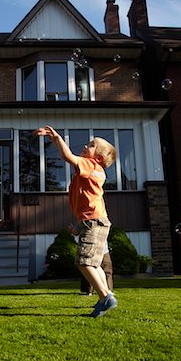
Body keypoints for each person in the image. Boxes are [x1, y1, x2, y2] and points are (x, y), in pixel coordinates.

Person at [34, 125, 117, 318]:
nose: (86, 146)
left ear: (98, 158)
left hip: (95, 222)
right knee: (94, 264)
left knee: (84, 262)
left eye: (91, 145)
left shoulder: (92, 166)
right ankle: (107, 294)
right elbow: (88, 208)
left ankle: (105, 297)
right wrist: (78, 229)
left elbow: (67, 156)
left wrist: (56, 137)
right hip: (95, 221)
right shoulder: (92, 171)